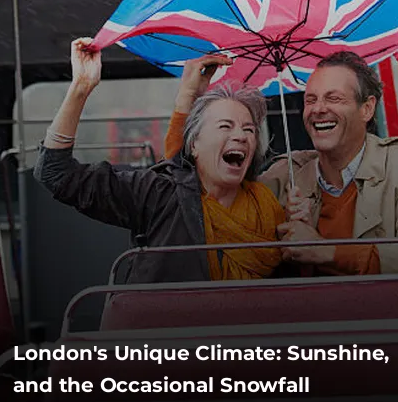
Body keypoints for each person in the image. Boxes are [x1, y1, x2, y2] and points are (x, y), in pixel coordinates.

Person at [164, 51, 398, 276]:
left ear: (367, 108)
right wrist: (187, 101)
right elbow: (198, 201)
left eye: (333, 98)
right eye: (310, 99)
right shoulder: (283, 175)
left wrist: (324, 251)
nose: (318, 109)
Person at [33, 38, 295, 284]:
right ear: (194, 145)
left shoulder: (269, 203)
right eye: (226, 126)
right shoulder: (157, 192)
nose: (240, 136)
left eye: (249, 130)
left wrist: (300, 228)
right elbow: (56, 174)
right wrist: (80, 88)